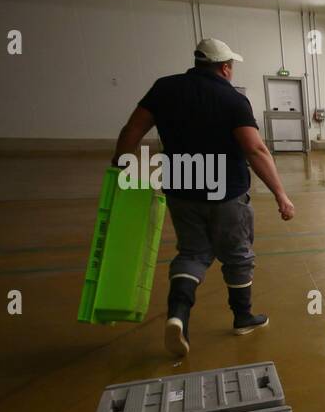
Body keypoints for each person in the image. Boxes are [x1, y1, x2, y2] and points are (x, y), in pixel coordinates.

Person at [112, 37, 295, 359]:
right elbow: (254, 148)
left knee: (192, 252)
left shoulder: (164, 88)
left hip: (181, 183)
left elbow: (131, 130)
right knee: (237, 254)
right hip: (225, 188)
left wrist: (120, 168)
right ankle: (243, 317)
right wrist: (281, 194)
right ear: (225, 67)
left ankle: (178, 317)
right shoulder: (231, 98)